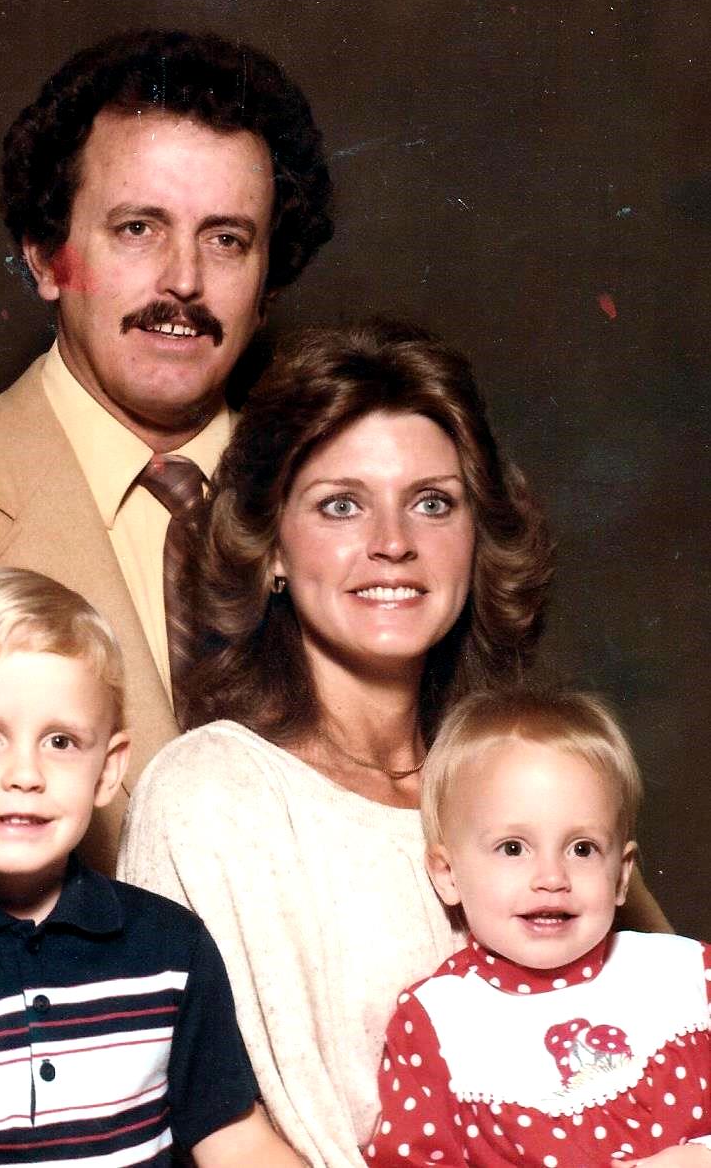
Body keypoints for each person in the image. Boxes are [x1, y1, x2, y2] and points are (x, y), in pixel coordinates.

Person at [0, 28, 333, 944]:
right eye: (138, 229)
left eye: (227, 239)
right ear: (43, 255)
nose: (183, 282)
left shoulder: (355, 506)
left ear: (268, 283)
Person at [118, 319, 557, 1168]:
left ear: (477, 537)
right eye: (341, 505)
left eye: (433, 502)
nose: (393, 542)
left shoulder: (530, 781)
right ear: (270, 550)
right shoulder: (211, 798)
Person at [0, 567, 307, 1168]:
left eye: (60, 741)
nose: (25, 775)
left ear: (107, 769)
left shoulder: (172, 948)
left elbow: (236, 1141)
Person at [363, 687, 711, 1168]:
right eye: (513, 848)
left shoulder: (686, 975)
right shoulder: (438, 1021)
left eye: (582, 849)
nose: (551, 877)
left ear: (621, 875)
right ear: (448, 874)